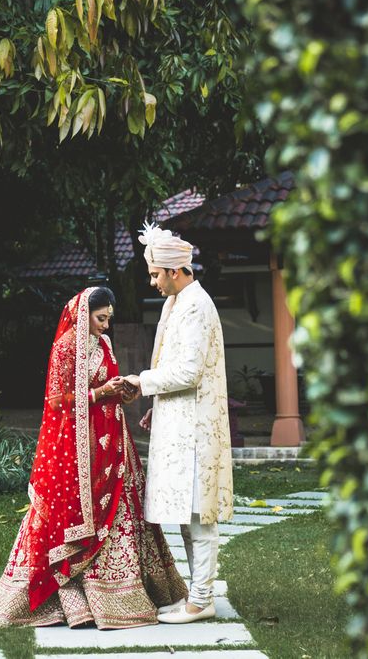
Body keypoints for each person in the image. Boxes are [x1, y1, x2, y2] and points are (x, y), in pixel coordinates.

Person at [0, 286, 187, 629]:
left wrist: (120, 391)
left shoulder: (104, 344)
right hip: (79, 449)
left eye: (109, 318)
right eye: (100, 318)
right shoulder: (66, 347)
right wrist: (99, 393)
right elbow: (56, 401)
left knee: (124, 508)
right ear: (83, 314)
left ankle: (128, 594)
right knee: (71, 514)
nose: (106, 326)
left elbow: (108, 384)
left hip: (113, 444)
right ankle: (74, 601)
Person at [120, 223, 234, 624]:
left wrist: (141, 382)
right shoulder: (176, 302)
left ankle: (201, 599)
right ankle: (196, 595)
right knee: (186, 515)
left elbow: (187, 371)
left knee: (200, 515)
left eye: (155, 274)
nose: (153, 282)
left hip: (197, 427)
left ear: (175, 271)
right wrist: (158, 407)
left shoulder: (196, 305)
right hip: (181, 420)